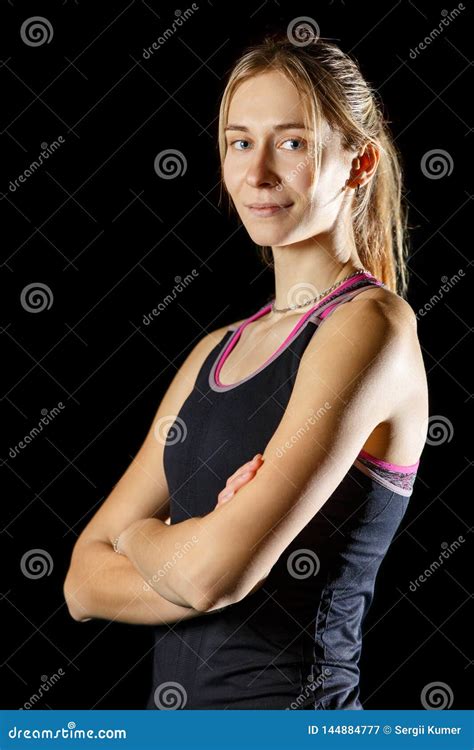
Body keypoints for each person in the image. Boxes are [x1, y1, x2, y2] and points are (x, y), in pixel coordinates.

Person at [64, 33, 428, 710]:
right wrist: (194, 549)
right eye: (239, 141)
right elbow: (82, 581)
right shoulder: (215, 351)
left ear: (360, 162)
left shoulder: (371, 327)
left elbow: (210, 581)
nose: (257, 173)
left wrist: (149, 539)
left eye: (291, 142)